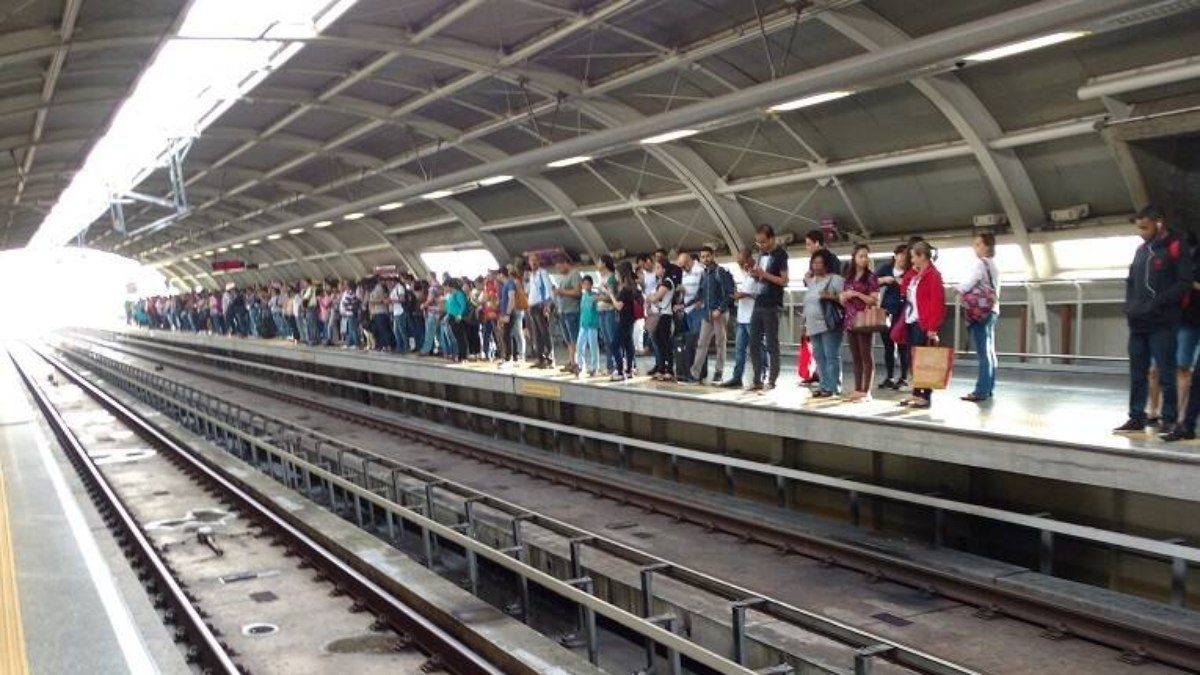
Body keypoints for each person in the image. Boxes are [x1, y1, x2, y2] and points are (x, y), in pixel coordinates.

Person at [1115, 205, 1192, 434]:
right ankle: (1136, 416)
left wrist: (1157, 303)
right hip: (1138, 323)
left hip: (1163, 322)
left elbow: (1184, 282)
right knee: (1138, 372)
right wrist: (1130, 307)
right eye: (1139, 228)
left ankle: (1168, 418)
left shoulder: (1175, 246)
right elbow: (1131, 282)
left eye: (1145, 228)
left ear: (1159, 223)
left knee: (1166, 372)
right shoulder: (1141, 251)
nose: (1141, 233)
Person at [899, 241, 946, 409]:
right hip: (912, 321)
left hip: (924, 323)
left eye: (913, 257)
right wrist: (913, 271)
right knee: (913, 359)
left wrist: (933, 327)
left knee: (924, 360)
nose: (911, 260)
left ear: (922, 256)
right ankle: (916, 392)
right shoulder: (917, 274)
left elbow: (937, 302)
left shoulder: (933, 275)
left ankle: (925, 396)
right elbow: (904, 288)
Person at [956, 233, 1001, 402]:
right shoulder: (994, 266)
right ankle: (989, 388)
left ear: (987, 246)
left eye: (978, 244)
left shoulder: (982, 264)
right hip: (993, 310)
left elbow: (970, 282)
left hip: (981, 312)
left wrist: (958, 289)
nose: (975, 248)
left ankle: (980, 391)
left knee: (983, 353)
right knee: (990, 351)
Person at [748, 224, 789, 392]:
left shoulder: (780, 254)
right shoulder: (761, 255)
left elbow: (784, 281)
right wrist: (755, 275)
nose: (761, 245)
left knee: (772, 343)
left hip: (772, 304)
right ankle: (757, 379)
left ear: (772, 239)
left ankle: (772, 380)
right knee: (753, 343)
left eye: (763, 242)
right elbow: (761, 278)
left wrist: (764, 274)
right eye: (758, 243)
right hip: (758, 302)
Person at [686, 246, 734, 384]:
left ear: (713, 256)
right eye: (703, 257)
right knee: (701, 343)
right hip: (707, 314)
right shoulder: (704, 274)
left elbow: (729, 293)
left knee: (720, 343)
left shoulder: (720, 271)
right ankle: (695, 374)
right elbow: (700, 293)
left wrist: (720, 309)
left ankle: (719, 372)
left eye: (707, 256)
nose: (705, 259)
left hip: (719, 314)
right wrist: (686, 304)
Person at [802, 251, 845, 398]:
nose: (816, 266)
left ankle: (833, 386)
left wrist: (831, 296)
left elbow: (844, 300)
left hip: (829, 323)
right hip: (813, 324)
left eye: (819, 263)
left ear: (827, 264)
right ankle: (824, 384)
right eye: (814, 263)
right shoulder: (811, 281)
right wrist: (804, 324)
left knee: (831, 355)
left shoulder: (836, 279)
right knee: (819, 356)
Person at [841, 245, 880, 402]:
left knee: (866, 355)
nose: (864, 259)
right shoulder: (848, 277)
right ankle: (858, 389)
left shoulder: (871, 277)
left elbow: (874, 300)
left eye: (866, 256)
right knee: (855, 356)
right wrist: (843, 297)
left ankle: (867, 391)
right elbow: (843, 298)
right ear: (854, 257)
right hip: (850, 320)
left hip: (864, 320)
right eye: (861, 256)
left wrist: (857, 294)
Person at [721, 248, 760, 388]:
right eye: (738, 263)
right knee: (739, 349)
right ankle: (737, 377)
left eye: (742, 262)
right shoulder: (746, 274)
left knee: (756, 348)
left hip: (753, 317)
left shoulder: (758, 272)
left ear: (749, 259)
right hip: (741, 317)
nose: (740, 265)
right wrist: (738, 294)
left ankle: (760, 377)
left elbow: (760, 294)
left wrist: (745, 294)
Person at [876, 244, 910, 389]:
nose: (903, 257)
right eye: (901, 254)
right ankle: (889, 377)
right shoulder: (886, 269)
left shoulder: (910, 271)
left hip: (903, 312)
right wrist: (884, 280)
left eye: (906, 255)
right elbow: (872, 282)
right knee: (888, 345)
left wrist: (903, 283)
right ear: (895, 255)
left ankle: (904, 377)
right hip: (886, 311)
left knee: (903, 345)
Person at [608, 261, 640, 381]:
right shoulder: (633, 287)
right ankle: (629, 369)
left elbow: (618, 306)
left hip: (624, 320)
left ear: (622, 275)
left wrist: (610, 294)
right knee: (628, 344)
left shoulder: (625, 289)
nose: (616, 276)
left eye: (617, 274)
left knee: (614, 345)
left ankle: (620, 371)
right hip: (630, 319)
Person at [553, 255, 583, 373]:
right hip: (563, 312)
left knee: (574, 338)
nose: (558, 270)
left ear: (565, 263)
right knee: (568, 339)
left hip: (572, 311)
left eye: (559, 267)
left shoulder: (574, 274)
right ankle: (571, 361)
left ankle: (577, 362)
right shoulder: (563, 277)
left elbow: (578, 292)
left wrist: (562, 291)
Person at [647, 259, 676, 380]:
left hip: (665, 315)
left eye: (658, 267)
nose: (656, 270)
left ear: (664, 269)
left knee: (665, 343)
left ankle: (669, 369)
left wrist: (651, 297)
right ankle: (661, 368)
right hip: (659, 315)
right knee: (660, 343)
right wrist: (651, 297)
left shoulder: (667, 282)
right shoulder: (661, 282)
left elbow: (655, 297)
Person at [525, 253, 555, 368]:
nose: (533, 262)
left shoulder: (542, 273)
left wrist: (547, 304)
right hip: (532, 306)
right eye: (531, 260)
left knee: (544, 332)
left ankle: (549, 357)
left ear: (539, 261)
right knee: (536, 333)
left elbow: (548, 288)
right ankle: (540, 357)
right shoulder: (531, 275)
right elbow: (530, 291)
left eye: (535, 260)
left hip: (541, 305)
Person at [595, 254, 619, 375]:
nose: (597, 264)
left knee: (612, 338)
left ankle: (617, 364)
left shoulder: (611, 278)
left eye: (599, 261)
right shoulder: (601, 278)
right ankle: (610, 366)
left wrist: (600, 298)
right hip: (601, 310)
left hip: (609, 310)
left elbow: (613, 297)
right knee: (606, 340)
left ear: (604, 263)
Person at [575, 276, 600, 377]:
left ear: (591, 285)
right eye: (584, 284)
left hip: (592, 324)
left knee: (593, 346)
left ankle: (594, 367)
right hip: (583, 324)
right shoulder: (583, 295)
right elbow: (582, 310)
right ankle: (580, 365)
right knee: (579, 345)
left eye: (588, 284)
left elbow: (597, 305)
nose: (586, 286)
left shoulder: (595, 295)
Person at [497, 266, 519, 367]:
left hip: (510, 313)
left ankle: (509, 358)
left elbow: (512, 299)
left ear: (501, 274)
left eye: (498, 274)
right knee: (507, 335)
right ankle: (512, 357)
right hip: (506, 313)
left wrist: (508, 314)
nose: (497, 277)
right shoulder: (505, 284)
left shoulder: (510, 283)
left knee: (507, 335)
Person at [389, 276, 410, 353]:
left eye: (390, 282)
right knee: (396, 331)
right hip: (395, 311)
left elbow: (402, 299)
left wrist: (392, 301)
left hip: (400, 311)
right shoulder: (394, 289)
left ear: (394, 281)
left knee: (402, 330)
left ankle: (406, 346)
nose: (389, 284)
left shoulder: (400, 288)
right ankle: (399, 346)